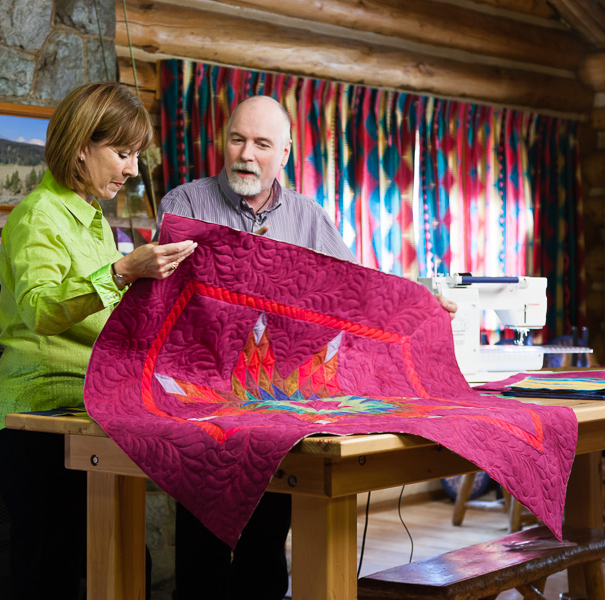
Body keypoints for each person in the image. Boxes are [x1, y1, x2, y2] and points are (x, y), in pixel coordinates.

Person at [157, 95, 456, 600]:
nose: (245, 154)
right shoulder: (184, 204)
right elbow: (169, 301)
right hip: (203, 405)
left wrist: (418, 301)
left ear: (285, 153)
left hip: (280, 404)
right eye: (237, 139)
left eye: (262, 144)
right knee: (200, 557)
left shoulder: (308, 217)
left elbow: (356, 293)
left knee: (265, 553)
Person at [0, 81, 197, 600]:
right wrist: (121, 271)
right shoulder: (38, 215)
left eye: (136, 155)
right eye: (122, 153)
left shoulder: (96, 222)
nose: (132, 169)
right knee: (50, 575)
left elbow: (108, 318)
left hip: (91, 412)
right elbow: (40, 309)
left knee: (126, 563)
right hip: (35, 417)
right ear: (81, 147)